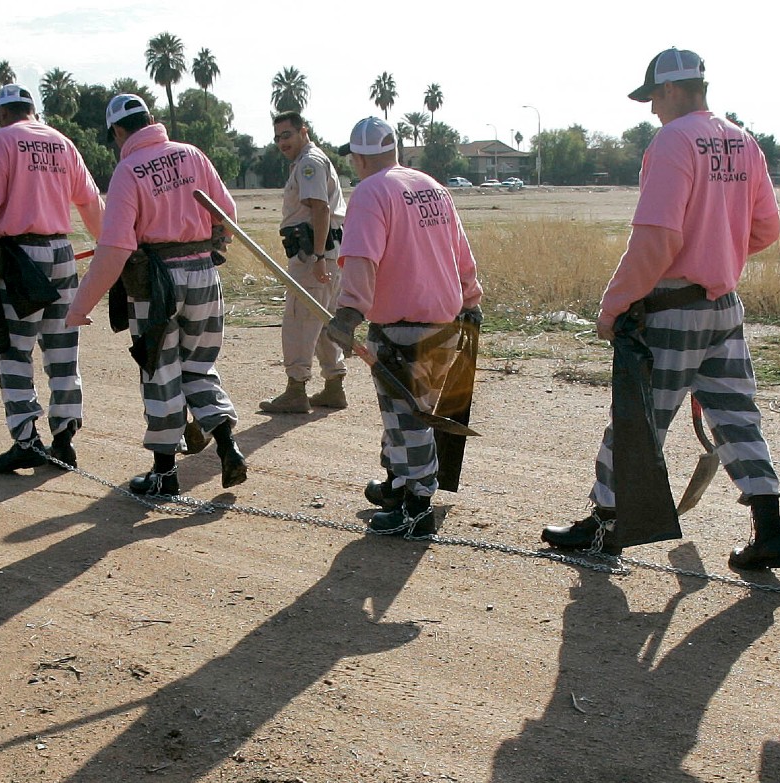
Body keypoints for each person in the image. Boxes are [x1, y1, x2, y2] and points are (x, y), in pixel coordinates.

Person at [540, 48, 780, 570]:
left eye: (654, 96)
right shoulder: (743, 140)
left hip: (673, 309)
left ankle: (606, 524)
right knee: (737, 417)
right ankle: (769, 527)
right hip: (723, 307)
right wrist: (719, 253)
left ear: (673, 90)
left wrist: (615, 304)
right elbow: (766, 229)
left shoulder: (674, 140)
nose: (652, 108)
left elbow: (656, 239)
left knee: (638, 420)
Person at [66, 93, 246, 494]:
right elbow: (228, 214)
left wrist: (81, 305)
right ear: (150, 118)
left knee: (160, 371)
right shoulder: (192, 155)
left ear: (117, 130)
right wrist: (211, 243)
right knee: (198, 367)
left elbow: (114, 249)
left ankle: (164, 474)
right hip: (203, 271)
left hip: (157, 283)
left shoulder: (128, 170)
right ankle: (228, 445)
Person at [322, 116, 482, 539]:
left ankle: (417, 506)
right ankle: (396, 484)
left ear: (357, 158)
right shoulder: (432, 187)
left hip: (403, 330)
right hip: (445, 323)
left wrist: (348, 313)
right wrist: (472, 297)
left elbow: (360, 258)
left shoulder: (371, 193)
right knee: (403, 413)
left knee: (409, 417)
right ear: (394, 151)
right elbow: (459, 250)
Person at [0, 83, 104, 473]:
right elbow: (89, 202)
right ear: (31, 111)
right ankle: (65, 440)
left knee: (15, 352)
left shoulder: (0, 141)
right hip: (61, 253)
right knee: (62, 350)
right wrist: (109, 244)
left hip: (20, 259)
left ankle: (26, 440)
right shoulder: (62, 143)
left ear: (3, 114)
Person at [259, 111, 350, 414]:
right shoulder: (308, 161)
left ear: (303, 131)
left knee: (299, 319)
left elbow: (320, 209)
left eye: (287, 135)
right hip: (326, 251)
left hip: (313, 253)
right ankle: (334, 385)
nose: (281, 142)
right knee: (324, 320)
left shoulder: (309, 163)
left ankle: (296, 388)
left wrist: (319, 257)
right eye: (277, 138)